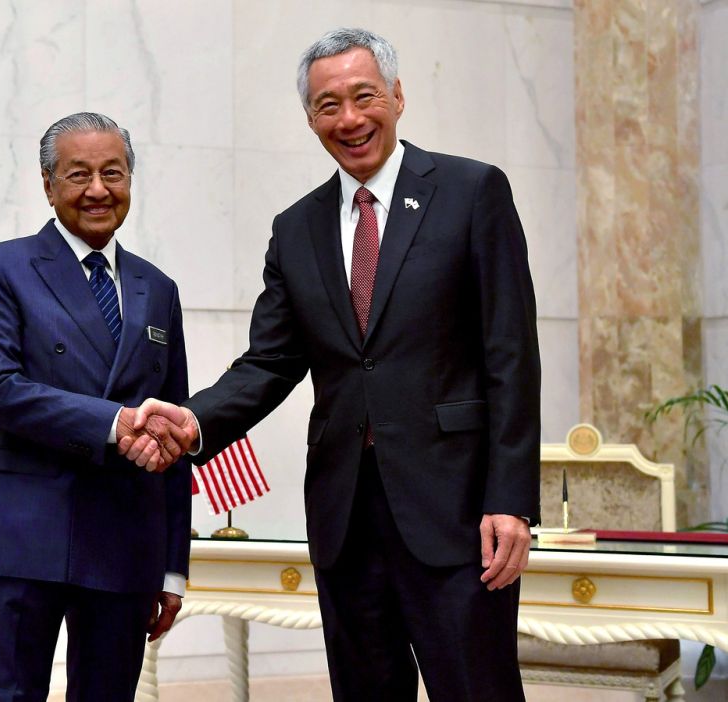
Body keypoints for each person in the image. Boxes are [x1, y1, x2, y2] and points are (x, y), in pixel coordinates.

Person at [125, 28, 541, 701]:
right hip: (347, 516)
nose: (349, 119)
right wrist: (190, 420)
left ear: (398, 97)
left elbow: (511, 354)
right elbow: (270, 362)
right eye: (328, 105)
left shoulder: (472, 193)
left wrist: (510, 499)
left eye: (363, 96)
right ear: (310, 117)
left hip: (458, 511)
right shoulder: (297, 228)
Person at [0, 112, 193, 702]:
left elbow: (174, 429)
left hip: (125, 534)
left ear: (130, 180)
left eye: (113, 173)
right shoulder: (1, 267)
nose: (97, 190)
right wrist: (112, 422)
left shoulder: (156, 288)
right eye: (77, 174)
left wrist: (172, 565)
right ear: (46, 183)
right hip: (23, 529)